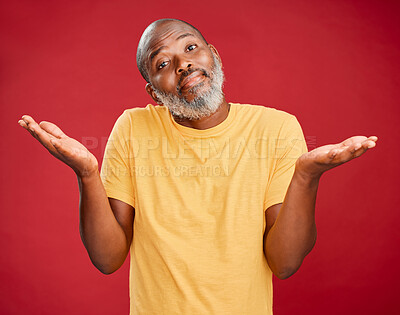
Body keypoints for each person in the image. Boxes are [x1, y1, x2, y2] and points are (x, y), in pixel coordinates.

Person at [18, 18, 377, 315]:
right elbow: (107, 259)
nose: (183, 64)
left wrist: (306, 177)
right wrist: (86, 174)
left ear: (214, 56)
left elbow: (284, 263)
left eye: (191, 48)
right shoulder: (132, 127)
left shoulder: (277, 128)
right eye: (163, 63)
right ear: (154, 93)